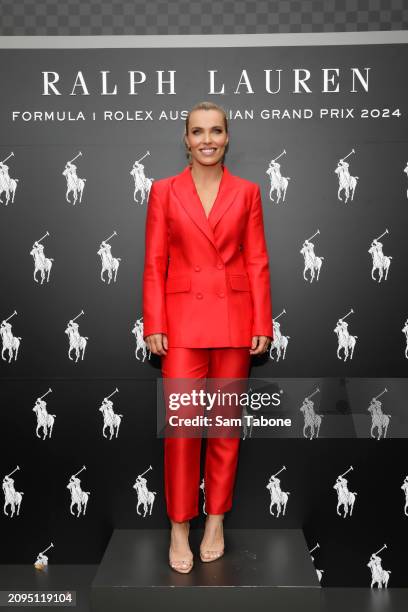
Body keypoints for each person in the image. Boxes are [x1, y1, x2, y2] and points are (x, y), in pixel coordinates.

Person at [143, 101, 273, 573]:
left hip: (235, 321)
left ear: (227, 136)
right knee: (181, 430)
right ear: (185, 138)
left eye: (215, 131)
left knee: (223, 427)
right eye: (197, 132)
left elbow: (257, 260)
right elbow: (155, 262)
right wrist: (154, 321)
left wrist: (262, 323)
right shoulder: (163, 191)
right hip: (180, 324)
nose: (207, 140)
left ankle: (215, 520)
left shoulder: (248, 192)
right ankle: (180, 525)